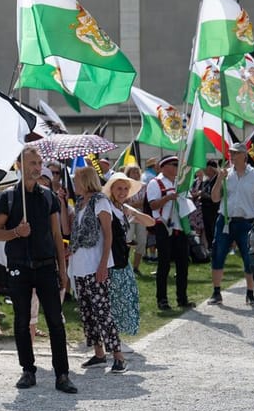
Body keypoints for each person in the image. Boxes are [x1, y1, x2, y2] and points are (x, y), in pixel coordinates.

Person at [0, 146, 75, 393]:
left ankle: (62, 374)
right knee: (21, 320)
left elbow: (56, 233)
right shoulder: (7, 197)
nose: (37, 167)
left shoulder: (48, 196)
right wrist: (16, 232)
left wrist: (63, 270)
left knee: (55, 321)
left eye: (39, 162)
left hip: (46, 266)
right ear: (20, 165)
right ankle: (27, 370)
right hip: (19, 267)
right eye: (32, 163)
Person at [67, 168, 127, 373]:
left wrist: (103, 264)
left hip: (95, 264)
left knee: (103, 311)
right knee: (88, 312)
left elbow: (107, 235)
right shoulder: (80, 203)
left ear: (85, 181)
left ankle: (118, 356)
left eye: (76, 180)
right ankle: (99, 353)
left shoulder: (100, 201)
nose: (74, 184)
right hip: (80, 265)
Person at [207, 142, 254, 306]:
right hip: (225, 220)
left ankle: (250, 293)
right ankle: (216, 292)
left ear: (244, 156)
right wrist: (219, 178)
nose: (232, 156)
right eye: (231, 153)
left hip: (246, 222)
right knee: (218, 254)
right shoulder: (226, 174)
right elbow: (214, 198)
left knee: (249, 258)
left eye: (235, 153)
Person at [103, 172, 156, 339]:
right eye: (119, 188)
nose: (123, 192)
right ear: (111, 189)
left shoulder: (122, 208)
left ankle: (116, 337)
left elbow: (150, 222)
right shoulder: (107, 207)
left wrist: (133, 213)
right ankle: (112, 338)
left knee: (126, 298)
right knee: (113, 299)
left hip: (122, 259)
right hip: (110, 260)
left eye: (126, 189)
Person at [145, 156, 193, 310]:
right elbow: (152, 205)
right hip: (164, 226)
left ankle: (182, 298)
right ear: (164, 167)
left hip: (180, 227)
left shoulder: (180, 182)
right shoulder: (155, 183)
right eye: (174, 164)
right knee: (164, 265)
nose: (177, 167)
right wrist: (168, 198)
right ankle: (162, 299)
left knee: (183, 264)